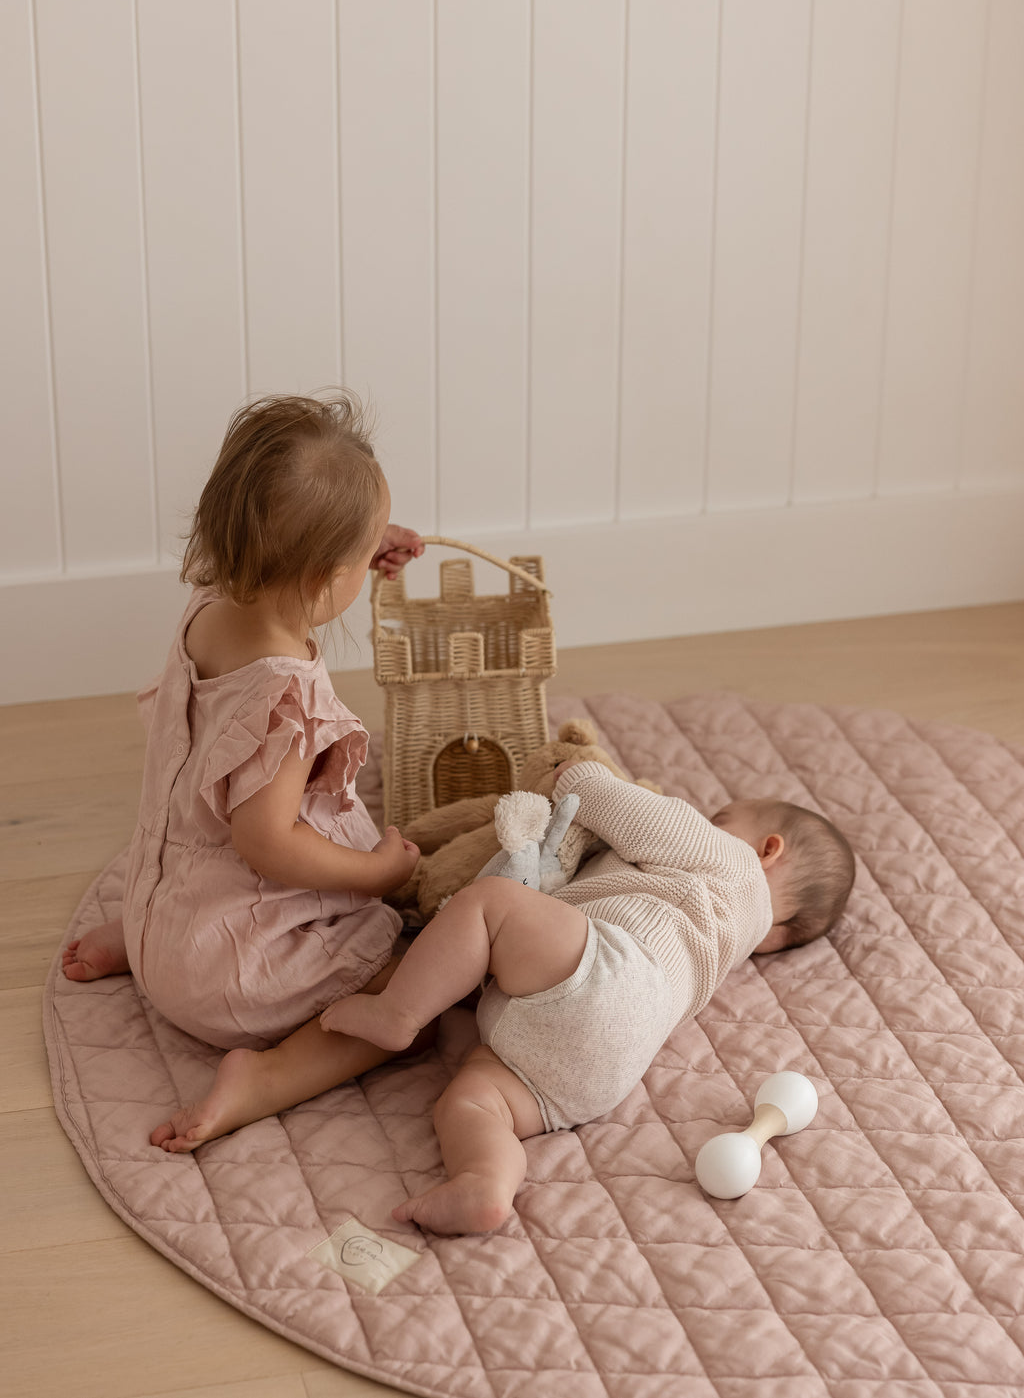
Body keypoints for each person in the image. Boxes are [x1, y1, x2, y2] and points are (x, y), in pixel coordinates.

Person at [62, 393, 429, 1149]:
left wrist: (357, 545)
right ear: (327, 577)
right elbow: (266, 841)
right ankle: (265, 1078)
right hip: (227, 978)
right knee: (410, 996)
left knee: (193, 854)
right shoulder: (285, 692)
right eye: (363, 558)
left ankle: (141, 938)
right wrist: (372, 874)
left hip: (162, 913)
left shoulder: (209, 606)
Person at [322, 761, 856, 1235]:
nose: (706, 822)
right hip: (606, 1070)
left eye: (718, 817)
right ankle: (483, 1182)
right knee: (474, 1103)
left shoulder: (731, 860)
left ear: (768, 849)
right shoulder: (732, 942)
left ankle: (397, 1011)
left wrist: (580, 776)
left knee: (491, 903)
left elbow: (633, 814)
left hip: (607, 968)